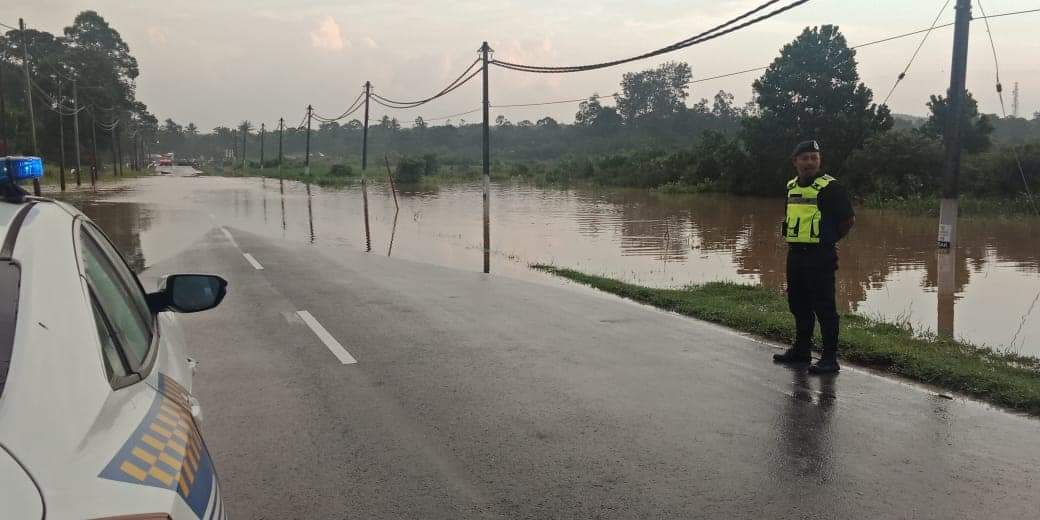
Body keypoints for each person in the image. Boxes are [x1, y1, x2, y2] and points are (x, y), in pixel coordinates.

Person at [773, 140, 855, 374]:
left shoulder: (832, 188)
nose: (810, 162)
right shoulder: (791, 187)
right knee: (798, 304)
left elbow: (848, 221)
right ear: (795, 162)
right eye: (805, 158)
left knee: (825, 307)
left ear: (819, 161)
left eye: (814, 158)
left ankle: (830, 359)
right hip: (796, 254)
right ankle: (801, 351)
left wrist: (828, 240)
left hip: (820, 256)